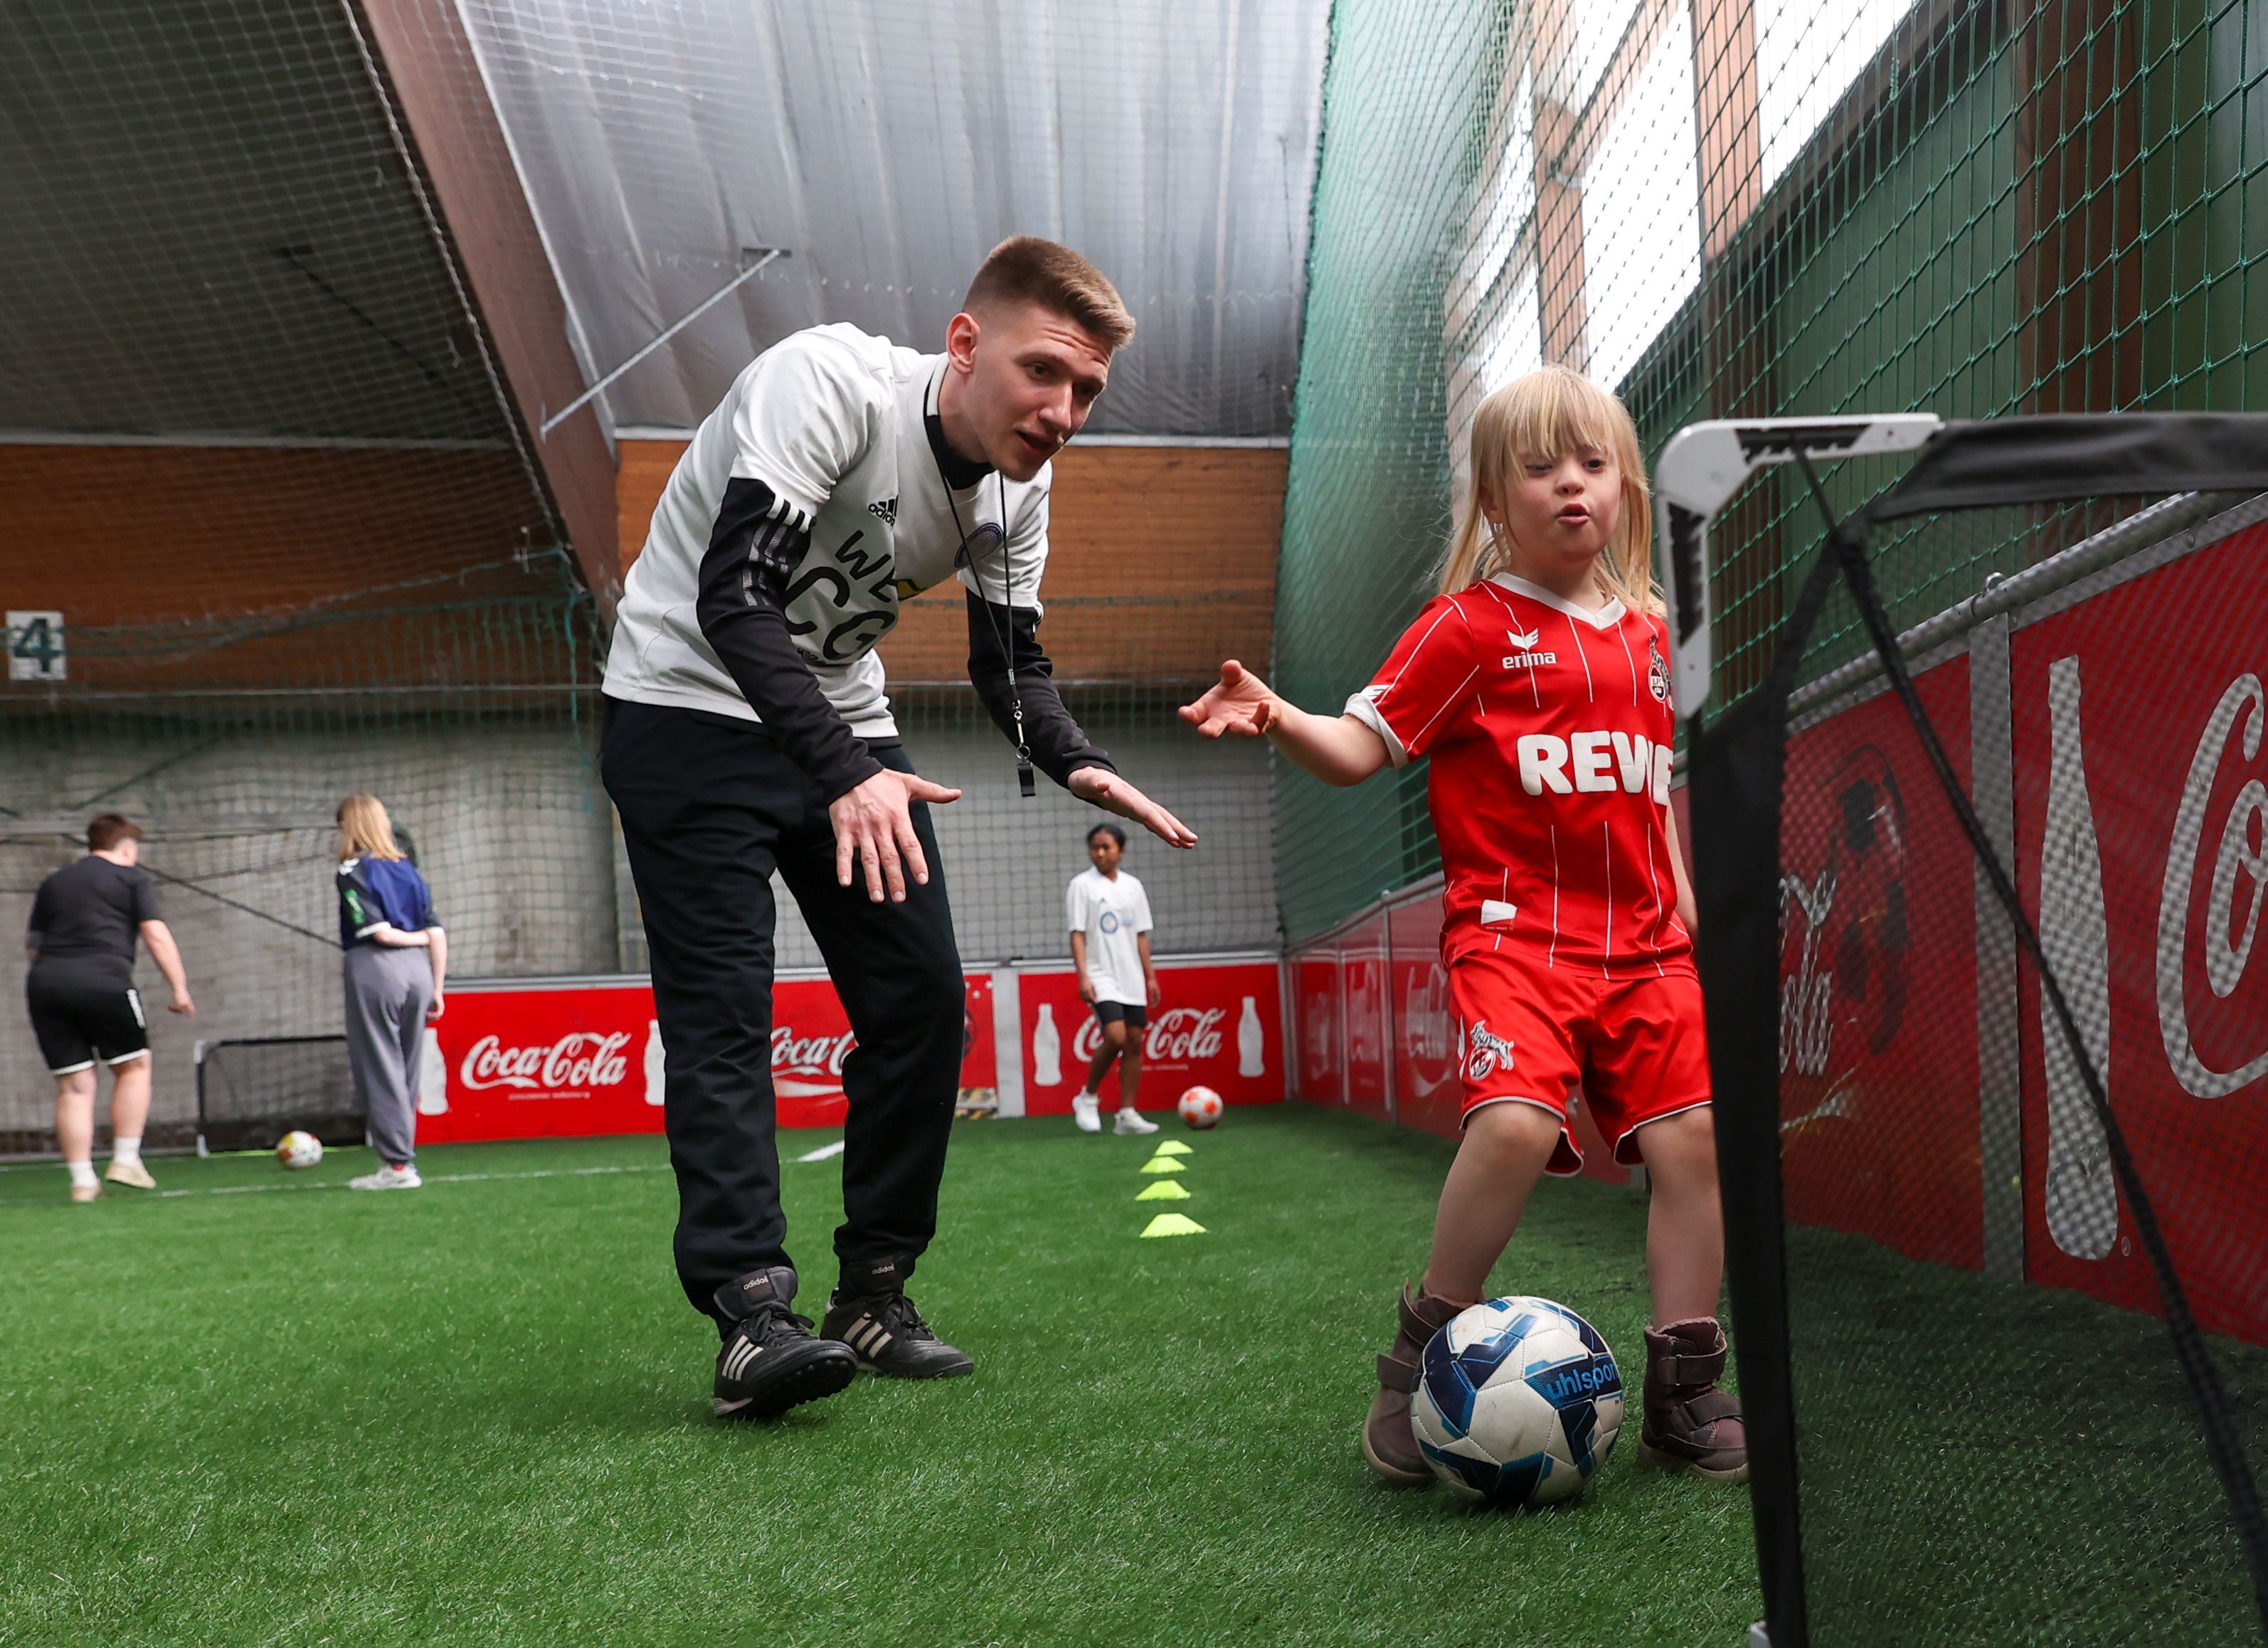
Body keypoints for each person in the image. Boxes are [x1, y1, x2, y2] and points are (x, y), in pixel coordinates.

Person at [600, 235, 1196, 1420]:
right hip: (680, 705)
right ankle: (748, 1312)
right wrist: (841, 771)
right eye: (1043, 373)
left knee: (924, 1001)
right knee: (724, 1013)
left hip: (840, 728)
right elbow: (736, 595)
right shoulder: (826, 384)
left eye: (1084, 391)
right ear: (964, 346)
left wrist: (1079, 761)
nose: (1062, 411)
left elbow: (1010, 668)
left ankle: (871, 1291)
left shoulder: (1022, 483)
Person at [1180, 365, 1746, 1485]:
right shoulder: (1467, 632)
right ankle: (1419, 1355)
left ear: (1626, 484)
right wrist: (1282, 713)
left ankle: (1685, 1393)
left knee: (1694, 1144)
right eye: (1541, 469)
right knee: (1516, 1130)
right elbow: (1357, 751)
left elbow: (1648, 792)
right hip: (1513, 942)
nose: (1571, 487)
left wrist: (1683, 901)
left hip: (1647, 949)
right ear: (1496, 499)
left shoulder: (1648, 635)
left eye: (1592, 465)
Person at [23, 814, 194, 1201]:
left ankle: (82, 1181)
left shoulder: (54, 882)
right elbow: (155, 933)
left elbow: (33, 946)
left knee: (74, 1086)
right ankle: (126, 1159)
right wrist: (180, 987)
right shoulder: (132, 878)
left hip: (46, 985)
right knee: (134, 1066)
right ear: (128, 848)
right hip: (105, 980)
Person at [333, 794, 447, 1191]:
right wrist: (438, 986)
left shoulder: (351, 870)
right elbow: (437, 933)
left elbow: (378, 932)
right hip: (419, 972)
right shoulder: (409, 870)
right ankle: (402, 1158)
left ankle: (398, 1166)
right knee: (407, 1068)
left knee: (379, 1066)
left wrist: (411, 939)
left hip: (377, 968)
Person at [1066, 822, 1160, 1136]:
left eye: (1107, 847)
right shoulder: (1081, 886)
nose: (1100, 853)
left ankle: (1127, 1114)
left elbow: (1141, 935)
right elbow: (1077, 934)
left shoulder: (1133, 887)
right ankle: (1088, 1098)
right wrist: (1083, 975)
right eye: (1095, 847)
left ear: (1121, 851)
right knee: (1117, 1037)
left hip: (1131, 976)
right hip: (1101, 975)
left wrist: (1150, 977)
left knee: (1134, 1042)